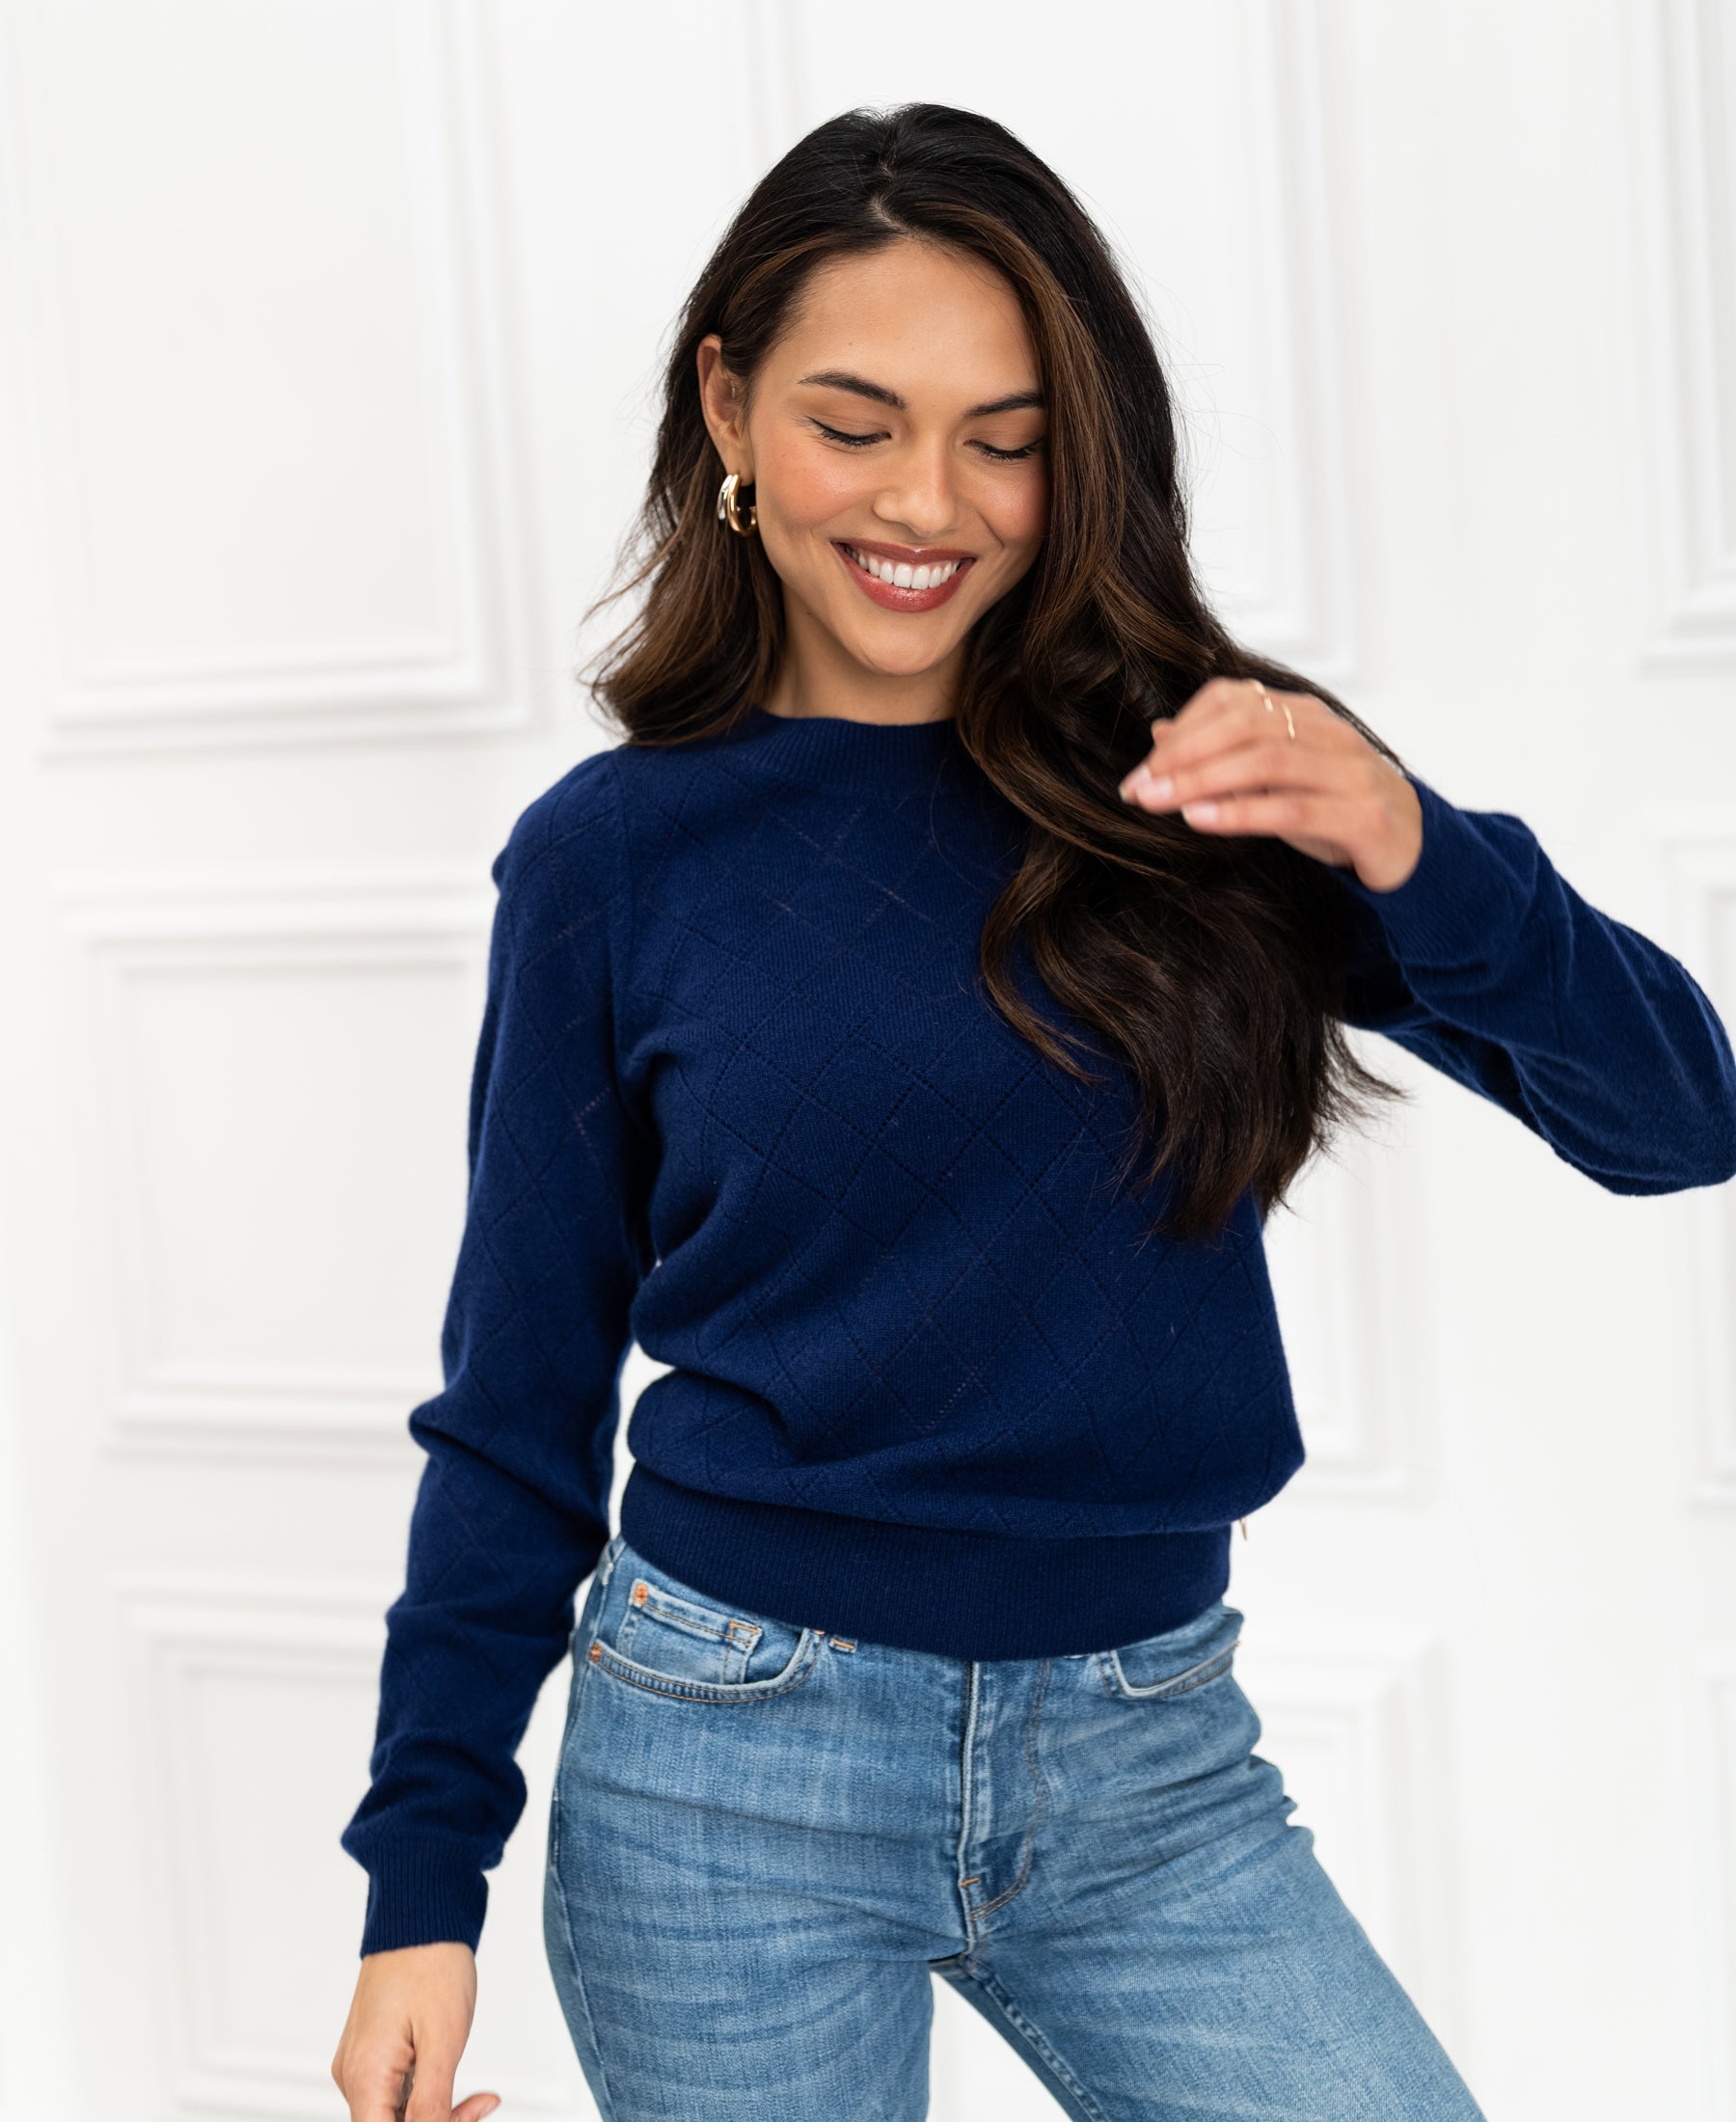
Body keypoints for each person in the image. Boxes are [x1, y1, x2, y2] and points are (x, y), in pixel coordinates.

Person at [330, 103, 1736, 2122]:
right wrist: (420, 1885)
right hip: (728, 1773)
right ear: (728, 408)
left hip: (1154, 1768)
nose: (932, 500)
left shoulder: (1208, 778)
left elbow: (1678, 1119)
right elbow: (517, 1395)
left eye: (1008, 437)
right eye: (856, 421)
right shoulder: (613, 859)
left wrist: (1420, 845)